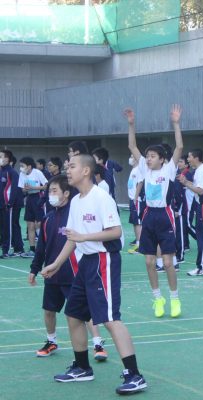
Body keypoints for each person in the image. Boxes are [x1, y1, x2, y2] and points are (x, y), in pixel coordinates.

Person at [40, 154, 146, 395]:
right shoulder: (76, 201)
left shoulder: (101, 197)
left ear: (86, 171)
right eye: (67, 166)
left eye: (72, 166)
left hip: (103, 260)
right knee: (73, 314)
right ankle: (82, 367)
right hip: (86, 262)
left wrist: (84, 237)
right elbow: (72, 238)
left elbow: (115, 232)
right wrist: (56, 263)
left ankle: (135, 375)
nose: (68, 170)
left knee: (110, 319)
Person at [29, 175, 108, 361]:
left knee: (82, 312)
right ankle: (51, 341)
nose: (50, 194)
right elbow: (41, 248)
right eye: (49, 191)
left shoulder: (75, 215)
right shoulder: (47, 218)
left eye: (54, 191)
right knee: (49, 310)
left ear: (66, 193)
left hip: (73, 274)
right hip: (52, 274)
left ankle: (98, 344)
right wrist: (34, 269)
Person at [126, 105, 183, 318]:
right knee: (149, 261)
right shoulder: (144, 169)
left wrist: (176, 123)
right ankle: (158, 298)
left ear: (161, 159)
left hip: (165, 216)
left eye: (152, 156)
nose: (148, 159)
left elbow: (179, 147)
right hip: (149, 215)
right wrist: (131, 124)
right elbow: (132, 145)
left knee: (168, 262)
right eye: (147, 156)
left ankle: (174, 298)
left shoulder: (168, 170)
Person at [19, 156, 48, 258]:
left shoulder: (37, 172)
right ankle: (32, 249)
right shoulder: (22, 174)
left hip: (38, 197)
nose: (21, 168)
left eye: (22, 166)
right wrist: (26, 189)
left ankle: (44, 247)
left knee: (39, 224)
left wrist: (34, 187)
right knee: (30, 225)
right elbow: (22, 189)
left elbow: (46, 185)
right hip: (29, 198)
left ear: (29, 166)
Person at [0, 150, 25, 258]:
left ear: (7, 159)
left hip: (9, 205)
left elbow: (14, 189)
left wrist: (10, 203)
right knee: (7, 226)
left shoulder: (12, 172)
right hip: (3, 204)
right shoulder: (2, 171)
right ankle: (18, 248)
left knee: (9, 227)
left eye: (1, 156)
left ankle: (6, 250)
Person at [126, 154, 144, 254]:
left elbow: (140, 183)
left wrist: (136, 197)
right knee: (134, 222)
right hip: (132, 199)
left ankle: (139, 245)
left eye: (132, 156)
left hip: (137, 200)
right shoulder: (134, 169)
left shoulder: (139, 169)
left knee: (138, 222)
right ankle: (138, 242)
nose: (130, 158)